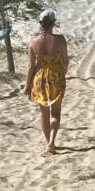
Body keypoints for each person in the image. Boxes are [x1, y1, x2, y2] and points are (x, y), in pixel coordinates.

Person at [24, 9, 69, 154]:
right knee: (55, 113)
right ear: (53, 23)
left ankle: (47, 142)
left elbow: (31, 66)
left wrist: (27, 85)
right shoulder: (60, 39)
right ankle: (52, 143)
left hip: (39, 78)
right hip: (56, 76)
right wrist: (62, 72)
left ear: (40, 23)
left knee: (44, 113)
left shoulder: (33, 42)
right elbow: (65, 60)